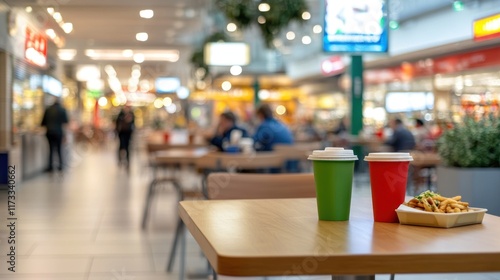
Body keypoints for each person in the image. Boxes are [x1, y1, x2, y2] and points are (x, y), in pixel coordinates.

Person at [41, 98, 69, 171]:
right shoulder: (62, 110)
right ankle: (60, 166)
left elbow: (43, 123)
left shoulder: (48, 110)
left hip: (49, 132)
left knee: (50, 149)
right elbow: (66, 122)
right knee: (59, 149)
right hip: (59, 132)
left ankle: (50, 166)